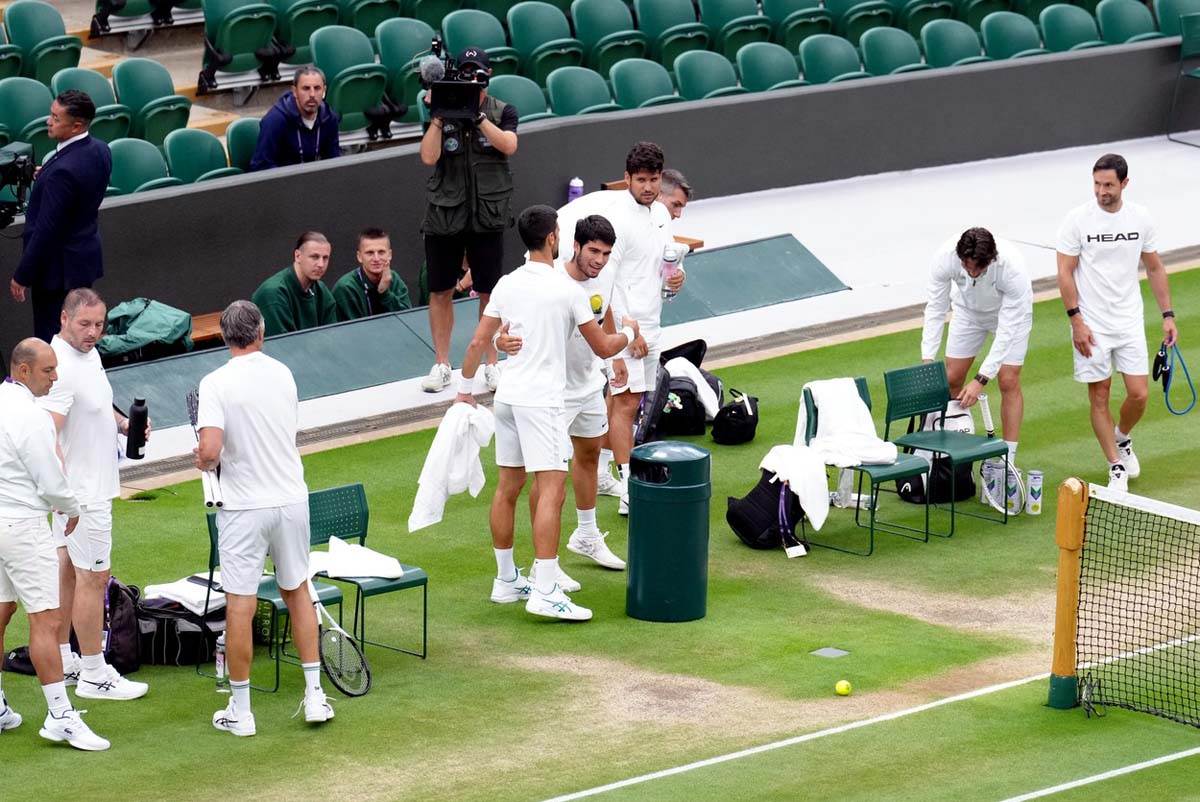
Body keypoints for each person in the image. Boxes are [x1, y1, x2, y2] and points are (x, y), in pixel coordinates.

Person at [455, 206, 638, 621]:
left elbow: (477, 343)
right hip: (543, 404)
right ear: (554, 238)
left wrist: (463, 393)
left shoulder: (506, 283)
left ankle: (506, 581)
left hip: (508, 399)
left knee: (508, 487)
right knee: (552, 490)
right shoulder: (566, 289)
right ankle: (546, 589)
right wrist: (630, 332)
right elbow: (605, 347)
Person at [194, 300, 333, 736]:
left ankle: (242, 712)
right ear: (260, 330)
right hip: (291, 501)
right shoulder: (283, 374)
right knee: (298, 592)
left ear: (222, 334)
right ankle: (314, 696)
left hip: (245, 509)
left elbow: (212, 450)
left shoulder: (214, 383)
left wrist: (201, 459)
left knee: (240, 604)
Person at [498, 215, 628, 575]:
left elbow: (606, 310)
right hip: (552, 394)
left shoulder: (605, 275)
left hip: (588, 384)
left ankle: (586, 535)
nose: (599, 260)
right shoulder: (549, 282)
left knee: (587, 455)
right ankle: (545, 566)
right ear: (574, 246)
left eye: (605, 253)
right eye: (593, 251)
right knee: (547, 478)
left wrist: (615, 359)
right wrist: (500, 342)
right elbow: (507, 327)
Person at [39, 289, 149, 701]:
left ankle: (66, 657)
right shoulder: (60, 370)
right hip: (82, 495)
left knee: (68, 570)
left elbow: (97, 405)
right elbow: (46, 433)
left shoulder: (87, 356)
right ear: (64, 318)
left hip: (80, 491)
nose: (93, 332)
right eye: (84, 324)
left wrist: (122, 425)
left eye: (99, 325)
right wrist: (63, 496)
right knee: (93, 577)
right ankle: (93, 673)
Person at [0, 338, 109, 751]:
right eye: (48, 371)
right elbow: (49, 475)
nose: (55, 377)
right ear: (23, 371)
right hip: (23, 525)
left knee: (1, 610)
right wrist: (70, 506)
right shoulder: (31, 416)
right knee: (45, 620)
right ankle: (61, 717)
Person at [1056, 153, 1178, 492]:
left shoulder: (1141, 218)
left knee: (1139, 394)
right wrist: (1076, 320)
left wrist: (1167, 315)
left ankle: (1122, 438)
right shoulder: (1077, 220)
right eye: (1096, 183)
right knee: (1100, 396)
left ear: (1124, 183)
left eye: (1108, 184)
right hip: (1090, 324)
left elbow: (1154, 267)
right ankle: (1115, 465)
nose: (1101, 191)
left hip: (1128, 321)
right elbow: (1064, 272)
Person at [418, 47, 518, 394]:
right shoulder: (442, 108)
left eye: (480, 75)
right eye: (467, 73)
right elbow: (429, 156)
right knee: (440, 290)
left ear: (488, 76)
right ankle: (442, 363)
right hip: (445, 214)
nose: (473, 80)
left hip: (486, 216)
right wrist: (438, 116)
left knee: (489, 292)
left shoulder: (502, 110)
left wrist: (477, 117)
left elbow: (508, 145)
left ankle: (491, 364)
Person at [920, 227, 1033, 467]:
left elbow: (1006, 332)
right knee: (952, 378)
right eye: (966, 266)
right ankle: (952, 451)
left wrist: (981, 379)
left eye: (978, 268)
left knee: (1008, 379)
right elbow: (936, 308)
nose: (971, 273)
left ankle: (1008, 459)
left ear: (991, 260)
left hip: (1010, 316)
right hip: (967, 313)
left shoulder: (1012, 270)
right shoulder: (944, 258)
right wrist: (927, 359)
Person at [9, 91, 112, 343]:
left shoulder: (62, 172)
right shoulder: (100, 150)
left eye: (56, 117)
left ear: (76, 126)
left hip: (57, 273)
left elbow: (47, 230)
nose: (48, 121)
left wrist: (23, 275)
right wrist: (47, 176)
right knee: (81, 337)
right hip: (82, 262)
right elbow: (79, 183)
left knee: (53, 341)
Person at [249, 67, 341, 172]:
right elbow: (261, 165)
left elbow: (334, 162)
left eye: (317, 88)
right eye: (306, 88)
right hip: (282, 184)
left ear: (324, 91)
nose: (312, 94)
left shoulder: (330, 118)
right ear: (294, 91)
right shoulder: (275, 120)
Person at [251, 232, 338, 336]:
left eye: (325, 258)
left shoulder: (322, 291)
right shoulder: (273, 293)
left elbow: (333, 338)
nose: (321, 264)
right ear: (297, 256)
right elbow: (281, 346)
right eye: (314, 257)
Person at [332, 227, 412, 321]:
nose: (376, 259)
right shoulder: (346, 287)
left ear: (389, 255)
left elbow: (408, 321)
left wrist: (385, 293)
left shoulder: (393, 278)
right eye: (370, 253)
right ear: (359, 257)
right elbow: (354, 330)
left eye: (381, 252)